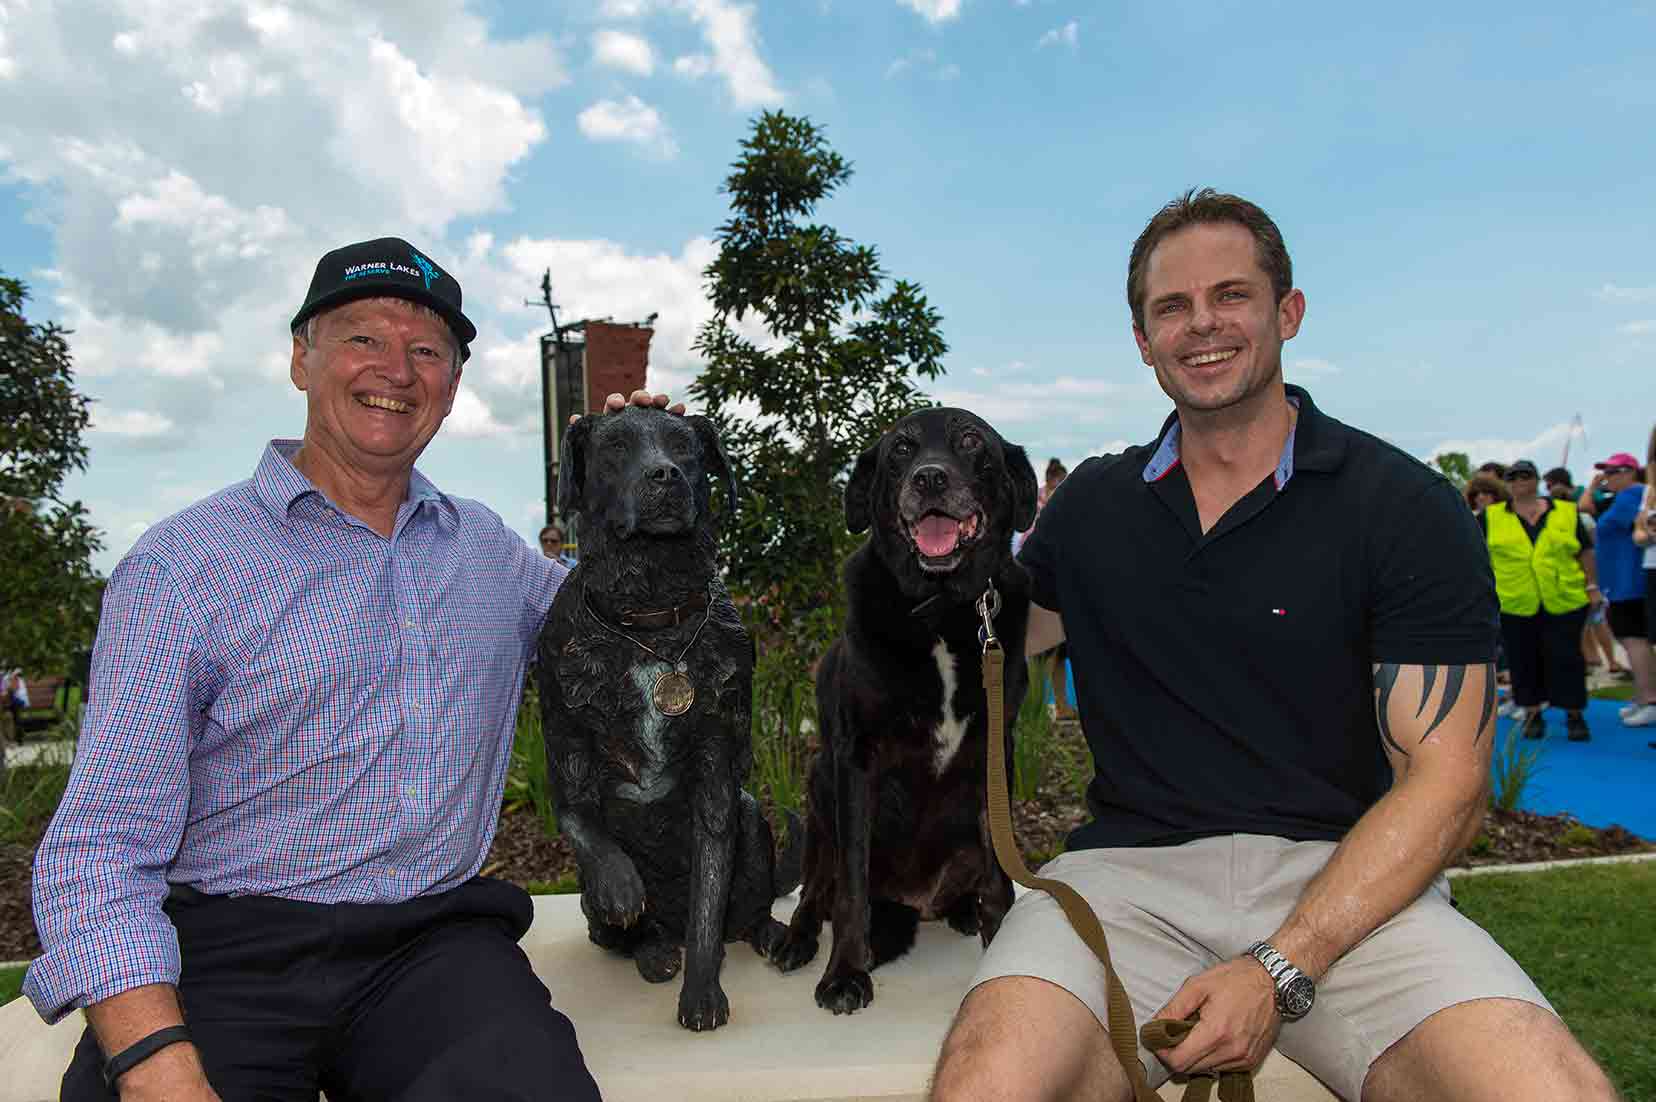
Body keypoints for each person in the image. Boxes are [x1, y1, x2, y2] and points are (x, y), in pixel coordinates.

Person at [929, 190, 1614, 1102]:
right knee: (989, 1084)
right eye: (1171, 307)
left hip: (1349, 884)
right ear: (1142, 340)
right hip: (1124, 880)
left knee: (1550, 1090)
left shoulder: (1401, 506)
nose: (1201, 324)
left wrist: (1279, 966)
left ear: (1287, 312)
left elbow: (1448, 786)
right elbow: (983, 647)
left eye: (1231, 295)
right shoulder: (1093, 506)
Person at [25, 237, 674, 1101]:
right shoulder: (183, 566)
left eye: (427, 351)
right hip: (227, 952)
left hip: (433, 949)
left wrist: (638, 475)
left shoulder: (486, 550)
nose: (395, 370)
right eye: (364, 338)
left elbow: (637, 640)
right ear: (302, 358)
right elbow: (100, 845)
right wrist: (152, 1065)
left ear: (450, 385)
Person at [1479, 459, 1600, 741]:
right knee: (1522, 659)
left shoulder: (1567, 513)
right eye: (1513, 476)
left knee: (1567, 657)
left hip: (1564, 598)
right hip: (1514, 601)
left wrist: (1592, 585)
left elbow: (1585, 552)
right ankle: (1533, 714)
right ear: (1506, 483)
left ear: (1537, 479)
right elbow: (1476, 557)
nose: (1520, 480)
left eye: (1526, 475)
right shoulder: (1490, 517)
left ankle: (1574, 714)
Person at [1590, 452, 1656, 726]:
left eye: (1613, 472)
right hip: (1620, 584)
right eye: (1606, 472)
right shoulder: (1625, 498)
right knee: (1631, 642)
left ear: (1630, 472)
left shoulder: (1635, 496)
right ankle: (1643, 696)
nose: (1608, 477)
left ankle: (1649, 698)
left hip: (1630, 583)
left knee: (1634, 641)